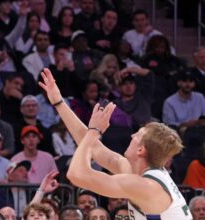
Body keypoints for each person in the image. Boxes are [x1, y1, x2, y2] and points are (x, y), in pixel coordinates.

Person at [38, 68, 193, 219]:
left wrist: (94, 131)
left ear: (141, 150)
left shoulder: (146, 186)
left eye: (137, 135)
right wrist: (59, 102)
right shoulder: (140, 172)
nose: (132, 135)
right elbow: (95, 149)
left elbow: (77, 175)